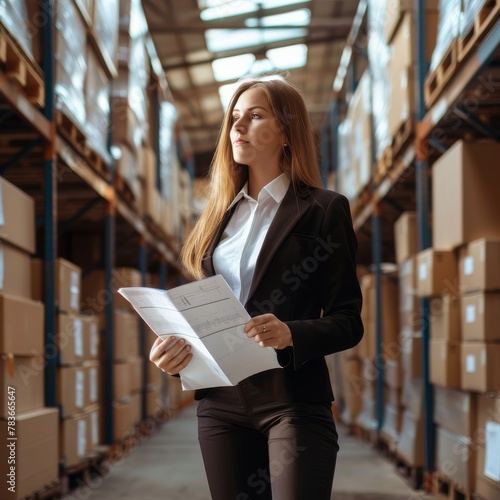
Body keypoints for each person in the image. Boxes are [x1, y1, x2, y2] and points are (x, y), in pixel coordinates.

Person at [149, 76, 363, 500]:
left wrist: (291, 333)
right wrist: (172, 354)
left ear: (285, 131)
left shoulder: (323, 209)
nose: (237, 127)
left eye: (255, 115)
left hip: (294, 401)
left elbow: (348, 321)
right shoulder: (217, 219)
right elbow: (206, 315)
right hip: (220, 404)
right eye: (233, 118)